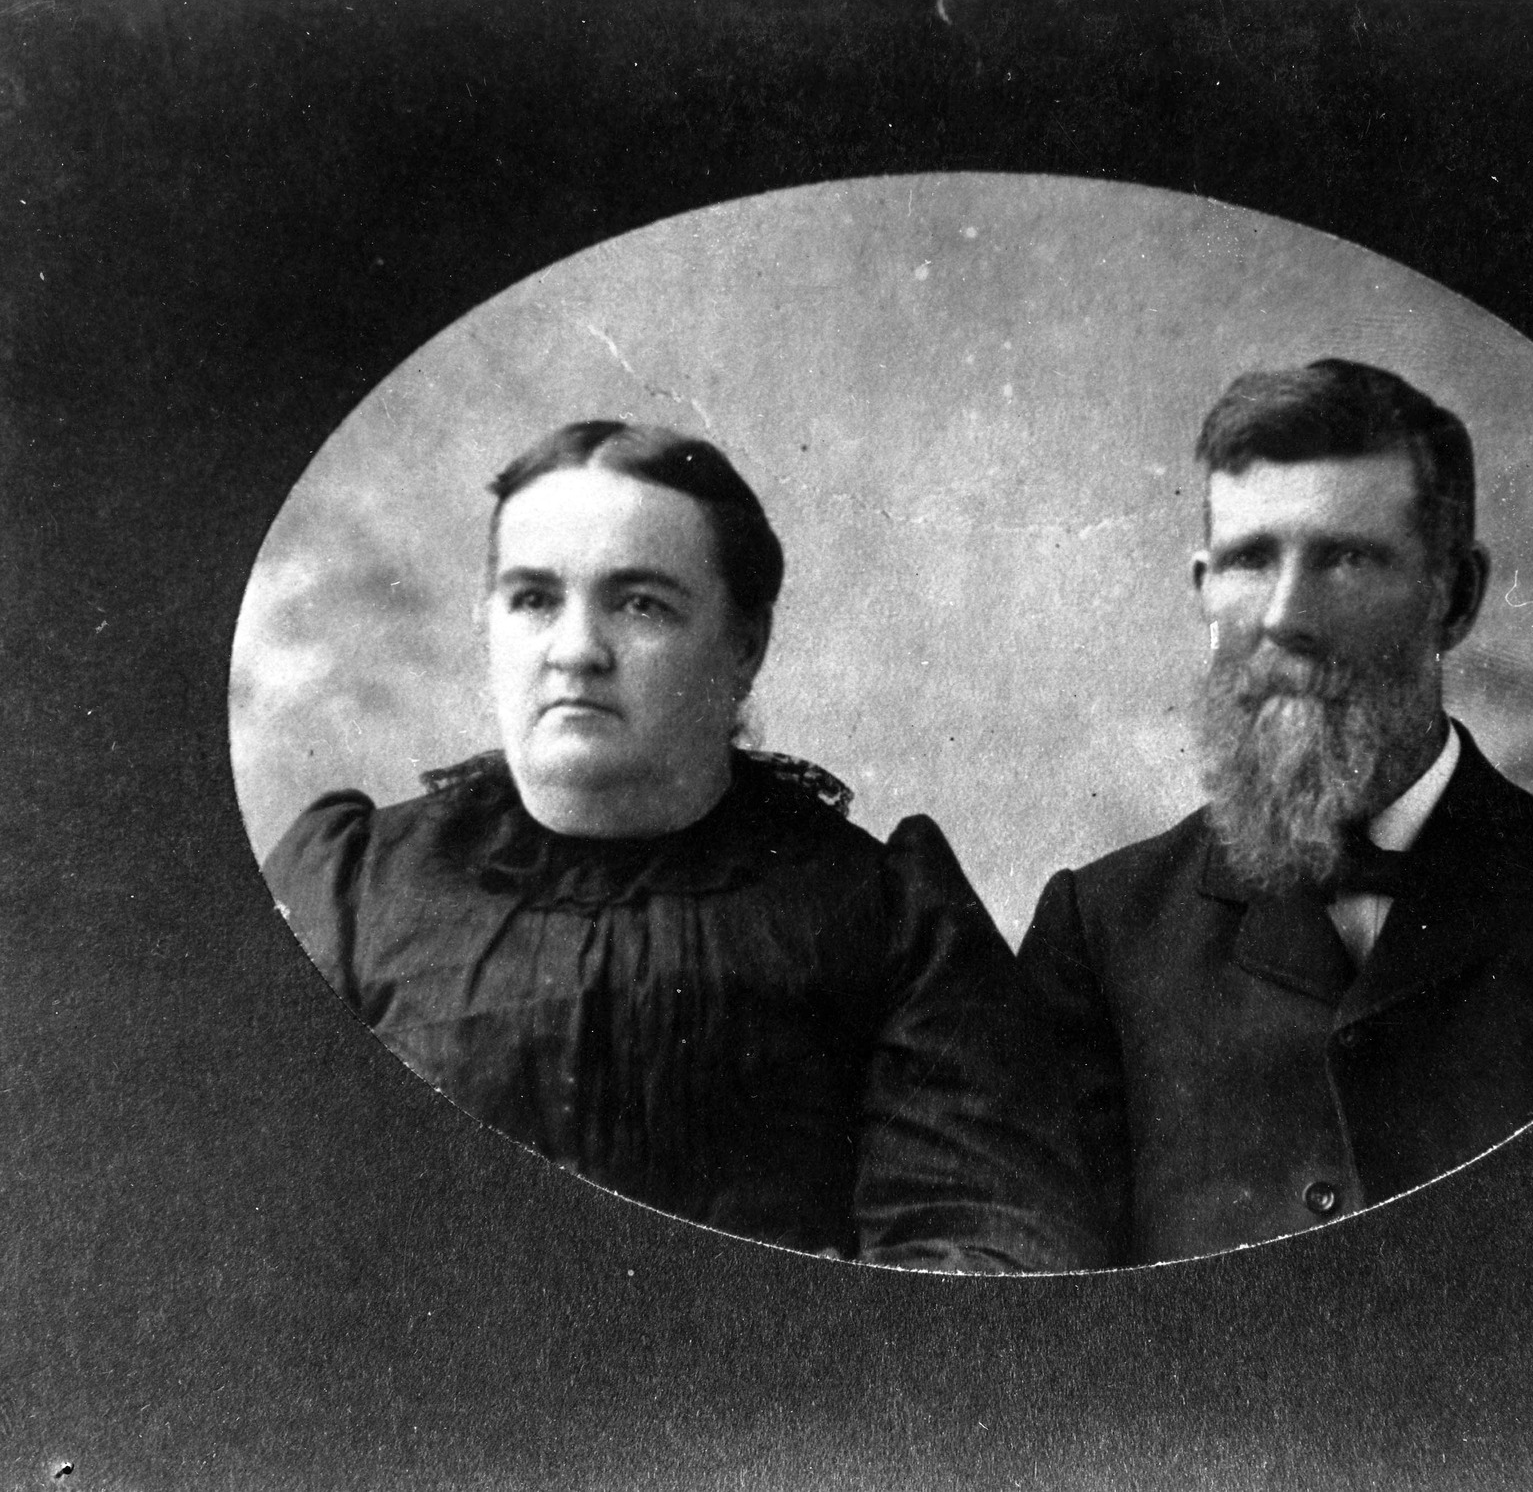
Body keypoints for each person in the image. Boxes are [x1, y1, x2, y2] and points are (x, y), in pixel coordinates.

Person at [264, 420, 1105, 1271]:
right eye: (532, 599)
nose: (575, 651)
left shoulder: (884, 912)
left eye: (640, 604)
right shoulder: (353, 887)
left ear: (745, 645)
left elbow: (995, 1250)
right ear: (486, 626)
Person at [1018, 359, 1533, 1266]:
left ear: (1452, 597)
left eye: (1346, 559)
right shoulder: (1100, 935)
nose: (1286, 617)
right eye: (1249, 559)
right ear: (1201, 590)